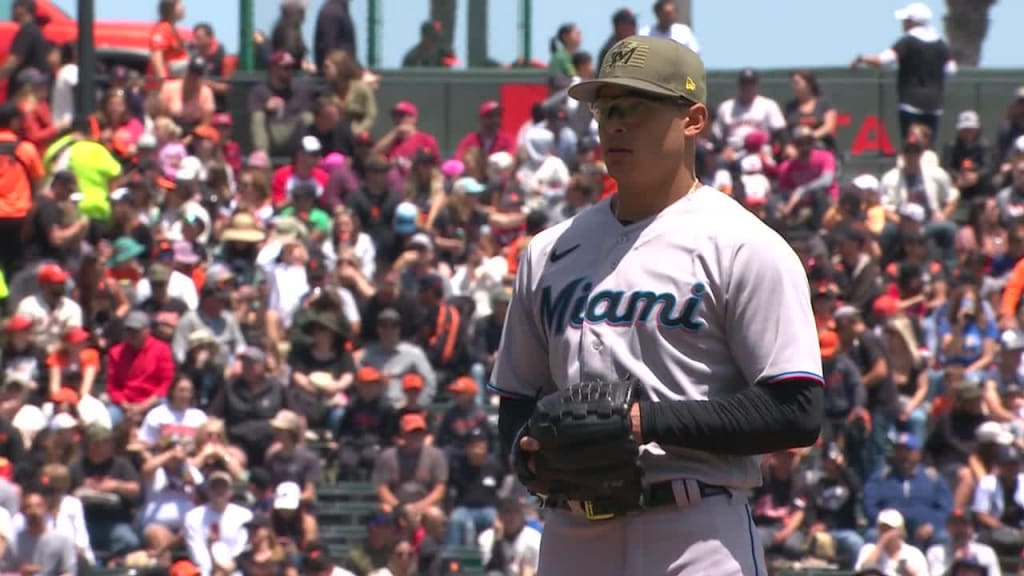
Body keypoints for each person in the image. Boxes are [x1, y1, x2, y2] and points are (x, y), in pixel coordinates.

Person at [493, 35, 823, 575]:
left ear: (693, 120)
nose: (615, 124)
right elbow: (516, 398)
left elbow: (796, 409)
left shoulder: (743, 245)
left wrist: (647, 422)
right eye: (606, 109)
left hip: (695, 530)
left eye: (637, 108)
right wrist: (527, 452)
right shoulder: (549, 251)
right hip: (571, 531)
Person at [851, 1, 957, 139]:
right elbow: (951, 70)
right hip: (934, 105)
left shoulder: (907, 41)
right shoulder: (940, 44)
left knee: (910, 147)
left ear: (913, 22)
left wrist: (862, 58)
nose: (903, 23)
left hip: (910, 104)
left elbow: (883, 61)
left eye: (906, 20)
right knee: (928, 148)